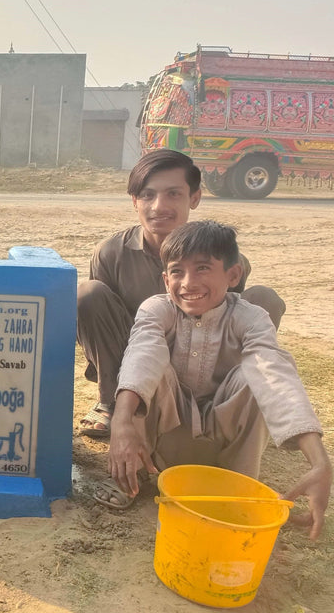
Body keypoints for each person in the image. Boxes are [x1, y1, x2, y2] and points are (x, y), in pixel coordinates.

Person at [98, 220, 331, 539]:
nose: (188, 283)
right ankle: (130, 475)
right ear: (166, 279)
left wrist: (320, 462)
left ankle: (237, 490)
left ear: (232, 275)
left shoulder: (251, 318)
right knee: (154, 369)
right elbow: (143, 353)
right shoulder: (156, 309)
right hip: (164, 442)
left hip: (224, 446)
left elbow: (273, 375)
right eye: (177, 271)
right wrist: (121, 422)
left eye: (203, 268)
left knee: (256, 375)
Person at [76, 148, 285, 438]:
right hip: (136, 361)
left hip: (202, 355)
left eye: (173, 194)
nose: (159, 206)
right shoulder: (110, 253)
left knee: (265, 300)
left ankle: (220, 406)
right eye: (148, 195)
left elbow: (228, 320)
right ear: (135, 201)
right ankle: (112, 403)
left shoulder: (227, 260)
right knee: (87, 294)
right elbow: (97, 327)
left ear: (195, 198)